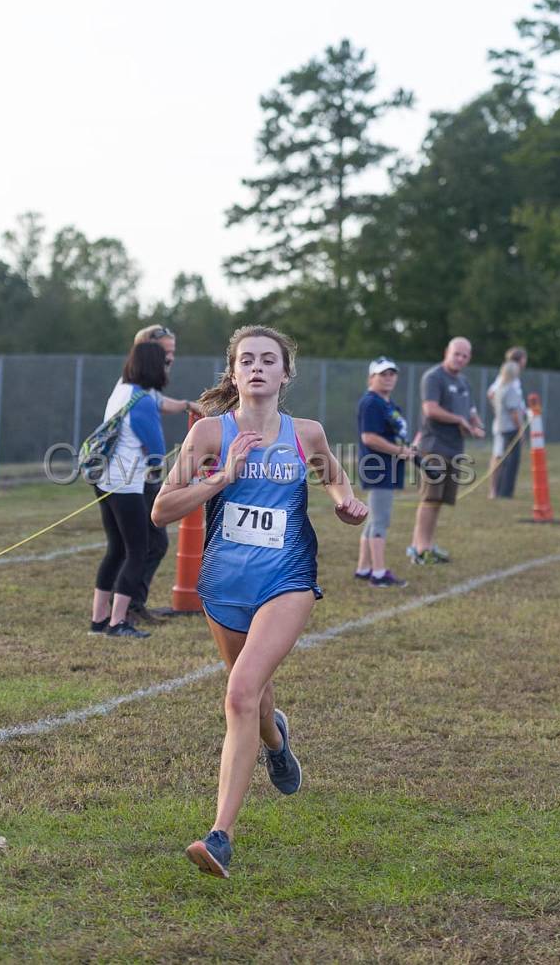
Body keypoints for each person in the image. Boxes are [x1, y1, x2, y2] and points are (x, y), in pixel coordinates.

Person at [151, 325, 367, 879]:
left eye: (268, 360)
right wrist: (223, 477)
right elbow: (163, 509)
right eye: (247, 359)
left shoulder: (307, 433)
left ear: (285, 374)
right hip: (224, 585)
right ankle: (277, 741)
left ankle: (219, 836)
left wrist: (346, 503)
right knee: (257, 702)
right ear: (233, 371)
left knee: (241, 693)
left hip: (286, 579)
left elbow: (335, 479)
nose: (257, 368)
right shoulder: (209, 436)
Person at [89, 342, 168, 639]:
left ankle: (98, 619)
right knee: (138, 551)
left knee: (116, 549)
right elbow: (157, 452)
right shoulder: (143, 400)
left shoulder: (121, 389)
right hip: (127, 483)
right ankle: (118, 622)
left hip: (105, 479)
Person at [127, 325, 202, 625]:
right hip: (133, 477)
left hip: (139, 475)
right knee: (149, 542)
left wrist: (185, 405)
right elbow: (144, 419)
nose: (170, 358)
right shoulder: (136, 386)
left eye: (173, 352)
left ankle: (130, 603)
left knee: (144, 543)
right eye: (165, 352)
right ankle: (129, 605)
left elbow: (159, 403)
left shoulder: (144, 384)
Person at [408, 338, 483, 563]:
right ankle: (420, 550)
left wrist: (476, 426)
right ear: (446, 352)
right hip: (434, 447)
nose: (460, 359)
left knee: (439, 501)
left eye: (465, 356)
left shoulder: (464, 382)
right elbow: (430, 409)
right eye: (456, 354)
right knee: (429, 499)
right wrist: (458, 419)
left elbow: (471, 411)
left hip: (455, 448)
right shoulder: (433, 377)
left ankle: (426, 545)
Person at [354, 357, 411, 588]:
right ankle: (378, 573)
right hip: (378, 467)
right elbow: (369, 437)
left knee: (374, 519)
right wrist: (399, 450)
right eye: (382, 374)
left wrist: (407, 449)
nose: (388, 377)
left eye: (391, 373)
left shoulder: (388, 404)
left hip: (387, 466)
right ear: (371, 378)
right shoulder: (371, 403)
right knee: (380, 520)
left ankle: (364, 567)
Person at [487, 347, 527, 499]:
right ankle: (494, 490)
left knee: (503, 456)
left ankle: (498, 490)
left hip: (507, 423)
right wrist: (499, 411)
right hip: (505, 425)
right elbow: (491, 393)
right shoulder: (506, 377)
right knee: (498, 456)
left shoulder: (513, 377)